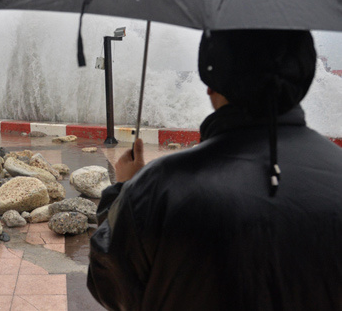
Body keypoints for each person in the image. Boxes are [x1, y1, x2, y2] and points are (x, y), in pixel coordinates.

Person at [87, 30, 342, 310]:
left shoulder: (161, 188)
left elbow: (109, 283)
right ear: (303, 78)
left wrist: (123, 188)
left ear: (211, 84)